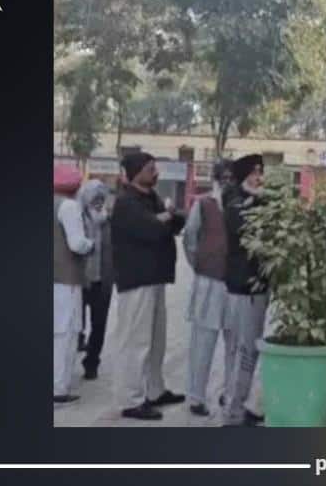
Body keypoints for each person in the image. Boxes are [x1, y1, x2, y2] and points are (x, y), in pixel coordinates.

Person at [111, 152, 187, 420]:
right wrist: (164, 218)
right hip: (136, 280)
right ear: (135, 173)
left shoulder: (151, 198)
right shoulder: (126, 202)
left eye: (155, 168)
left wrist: (166, 217)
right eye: (150, 169)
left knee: (156, 341)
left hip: (155, 278)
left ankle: (155, 391)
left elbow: (176, 222)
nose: (156, 173)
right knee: (135, 342)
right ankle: (130, 400)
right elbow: (152, 229)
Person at [182, 160, 234, 417]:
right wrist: (202, 265)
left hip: (235, 286)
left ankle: (231, 394)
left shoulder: (243, 206)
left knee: (235, 343)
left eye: (232, 178)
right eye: (224, 178)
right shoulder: (203, 204)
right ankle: (196, 397)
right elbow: (190, 239)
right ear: (215, 179)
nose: (228, 183)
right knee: (202, 343)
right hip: (208, 282)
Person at [223, 154, 270, 426]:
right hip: (243, 289)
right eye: (254, 172)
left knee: (252, 350)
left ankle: (245, 407)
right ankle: (234, 411)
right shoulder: (235, 204)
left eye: (261, 171)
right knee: (242, 352)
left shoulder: (261, 200)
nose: (259, 177)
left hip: (259, 287)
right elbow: (248, 231)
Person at [54, 165, 94, 403]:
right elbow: (77, 244)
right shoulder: (69, 206)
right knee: (66, 333)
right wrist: (91, 244)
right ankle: (59, 388)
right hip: (66, 278)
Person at [76, 179, 114, 380]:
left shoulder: (109, 221)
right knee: (75, 323)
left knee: (99, 325)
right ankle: (76, 343)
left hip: (103, 281)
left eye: (101, 199)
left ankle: (92, 363)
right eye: (94, 199)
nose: (98, 203)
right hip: (79, 281)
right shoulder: (76, 218)